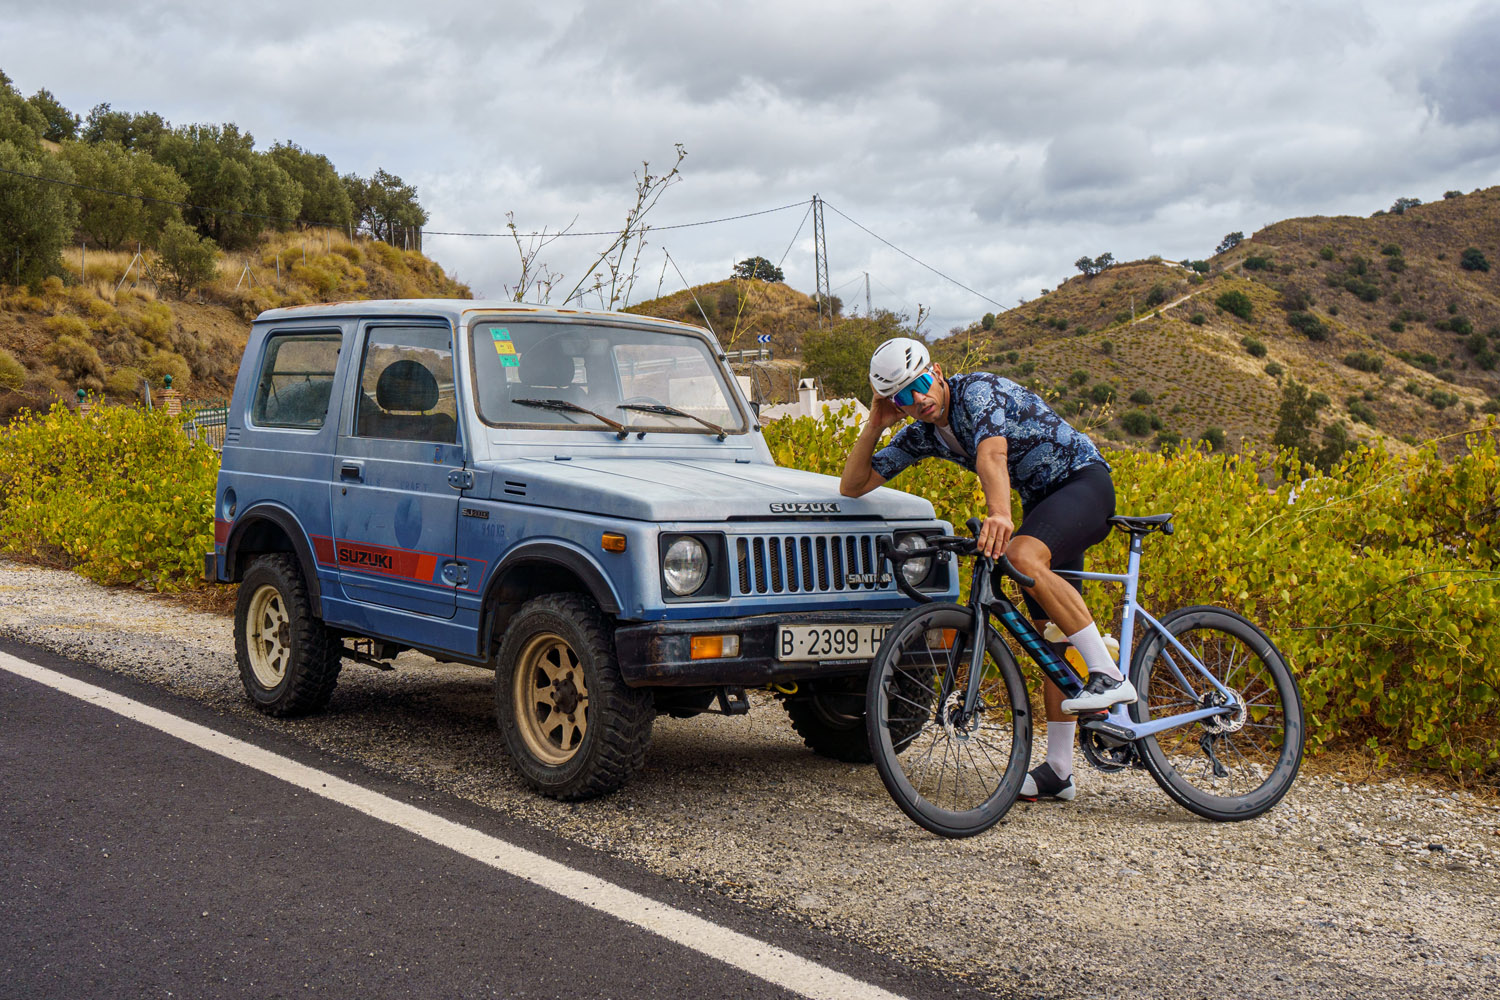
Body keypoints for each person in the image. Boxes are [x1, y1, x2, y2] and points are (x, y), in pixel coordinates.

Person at [840, 337, 1128, 802]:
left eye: (921, 384)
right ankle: (1059, 771)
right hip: (1044, 505)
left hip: (1081, 481)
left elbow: (991, 455)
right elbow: (853, 485)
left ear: (937, 370)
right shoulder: (922, 434)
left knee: (1021, 557)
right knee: (1051, 641)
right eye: (902, 397)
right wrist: (874, 423)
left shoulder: (978, 392)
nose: (918, 399)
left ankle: (1108, 675)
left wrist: (999, 515)